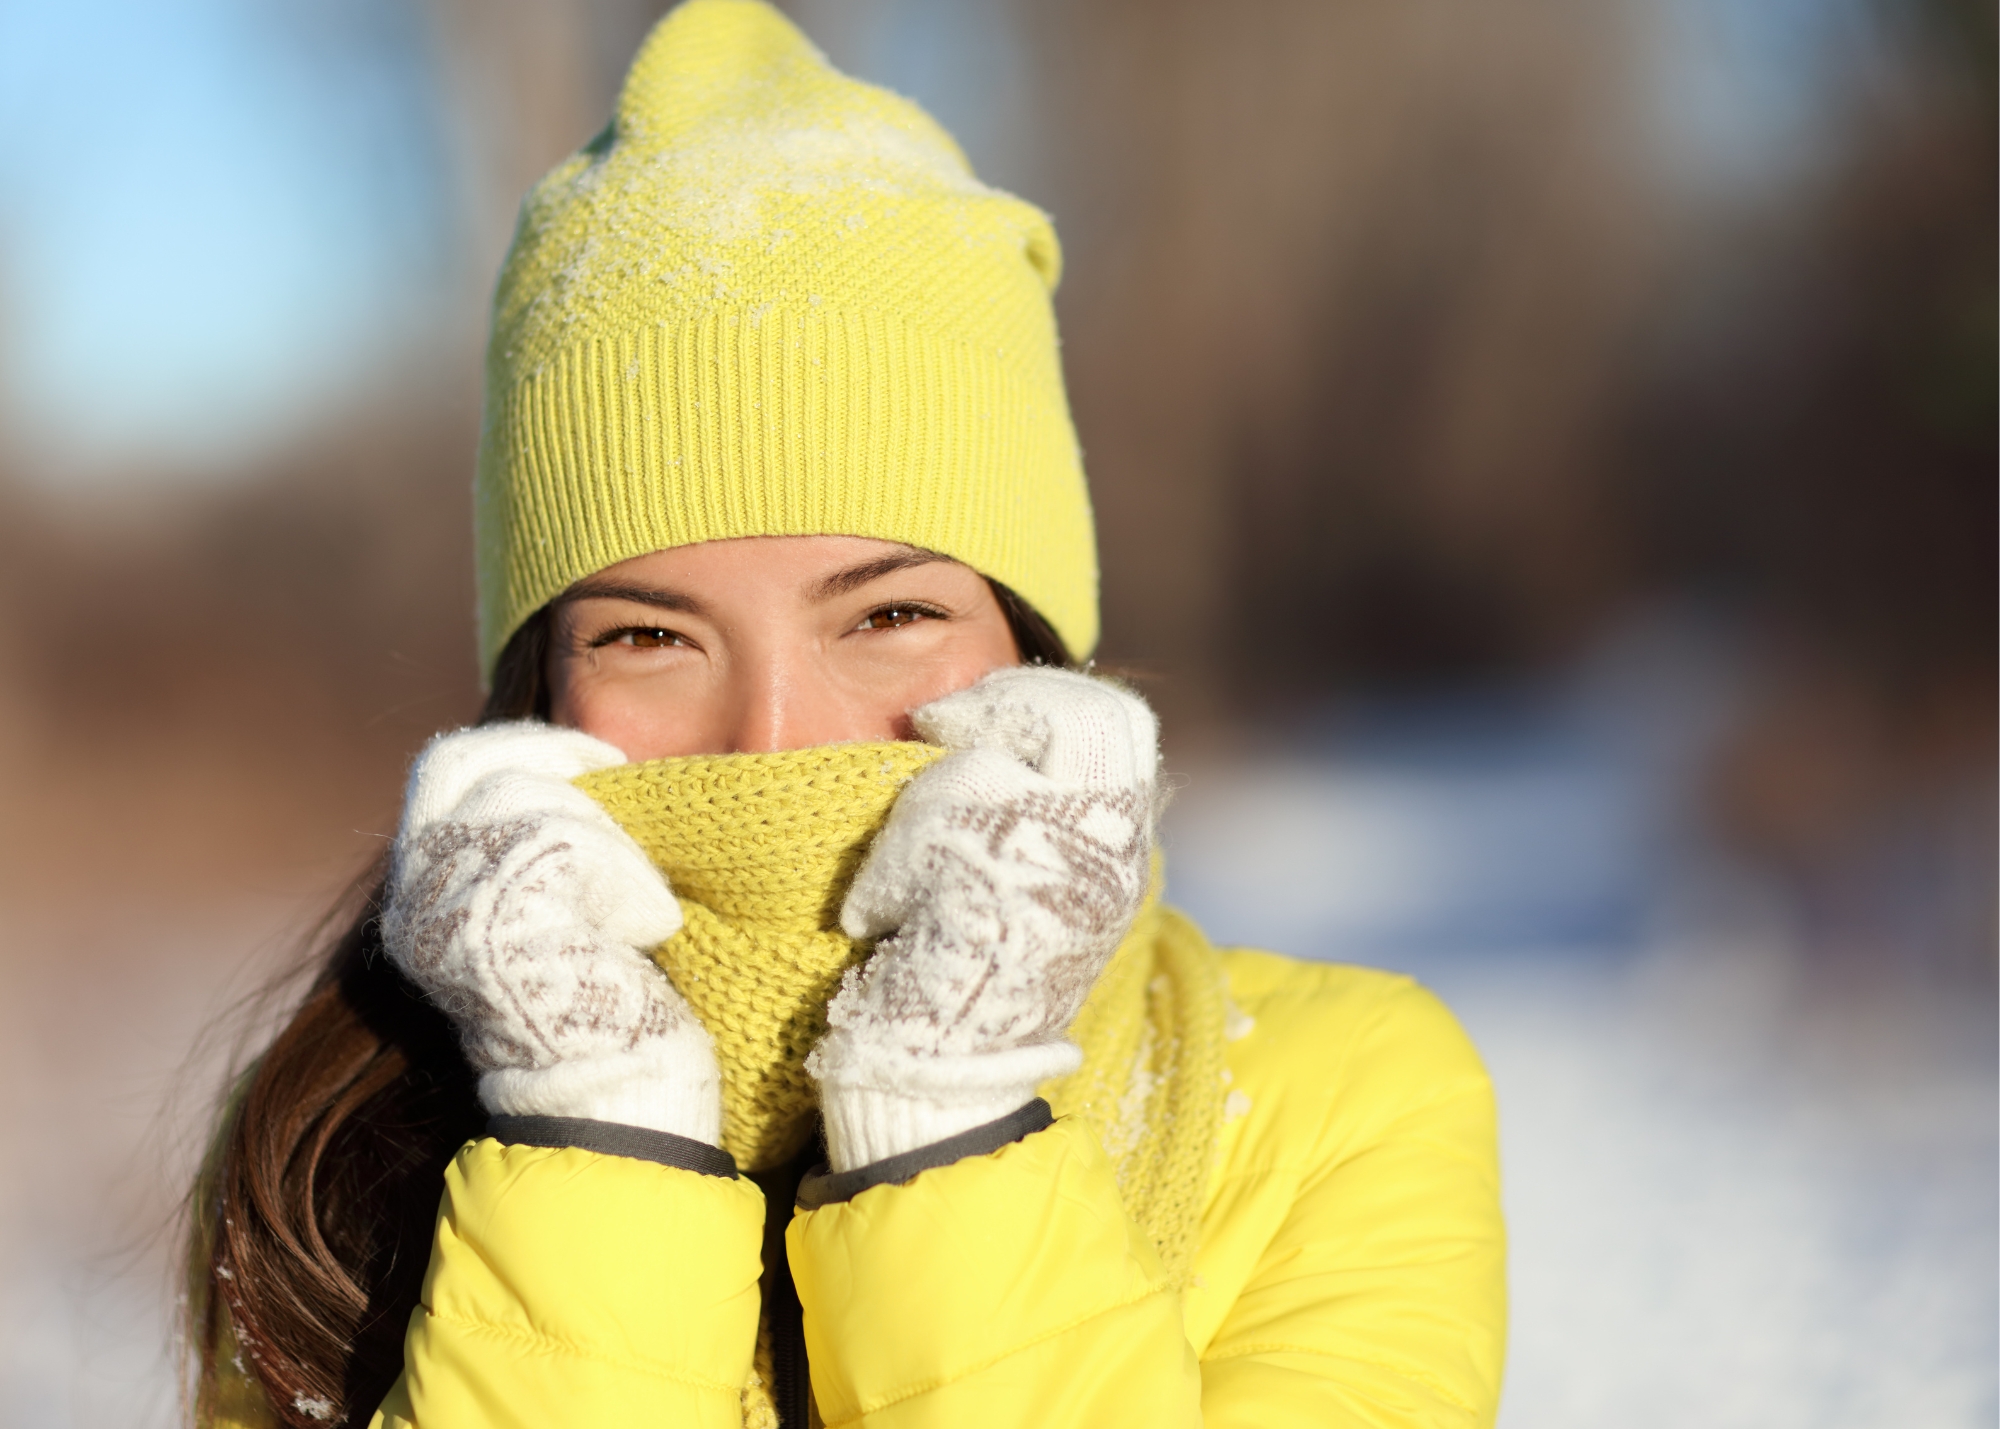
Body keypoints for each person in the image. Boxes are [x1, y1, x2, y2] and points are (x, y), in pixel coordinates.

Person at [186, 3, 1506, 1426]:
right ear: (535, 689)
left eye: (886, 614)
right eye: (649, 634)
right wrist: (588, 1134)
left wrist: (949, 1121)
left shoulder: (1341, 1101)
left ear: (1033, 642)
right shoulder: (329, 1148)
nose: (775, 737)